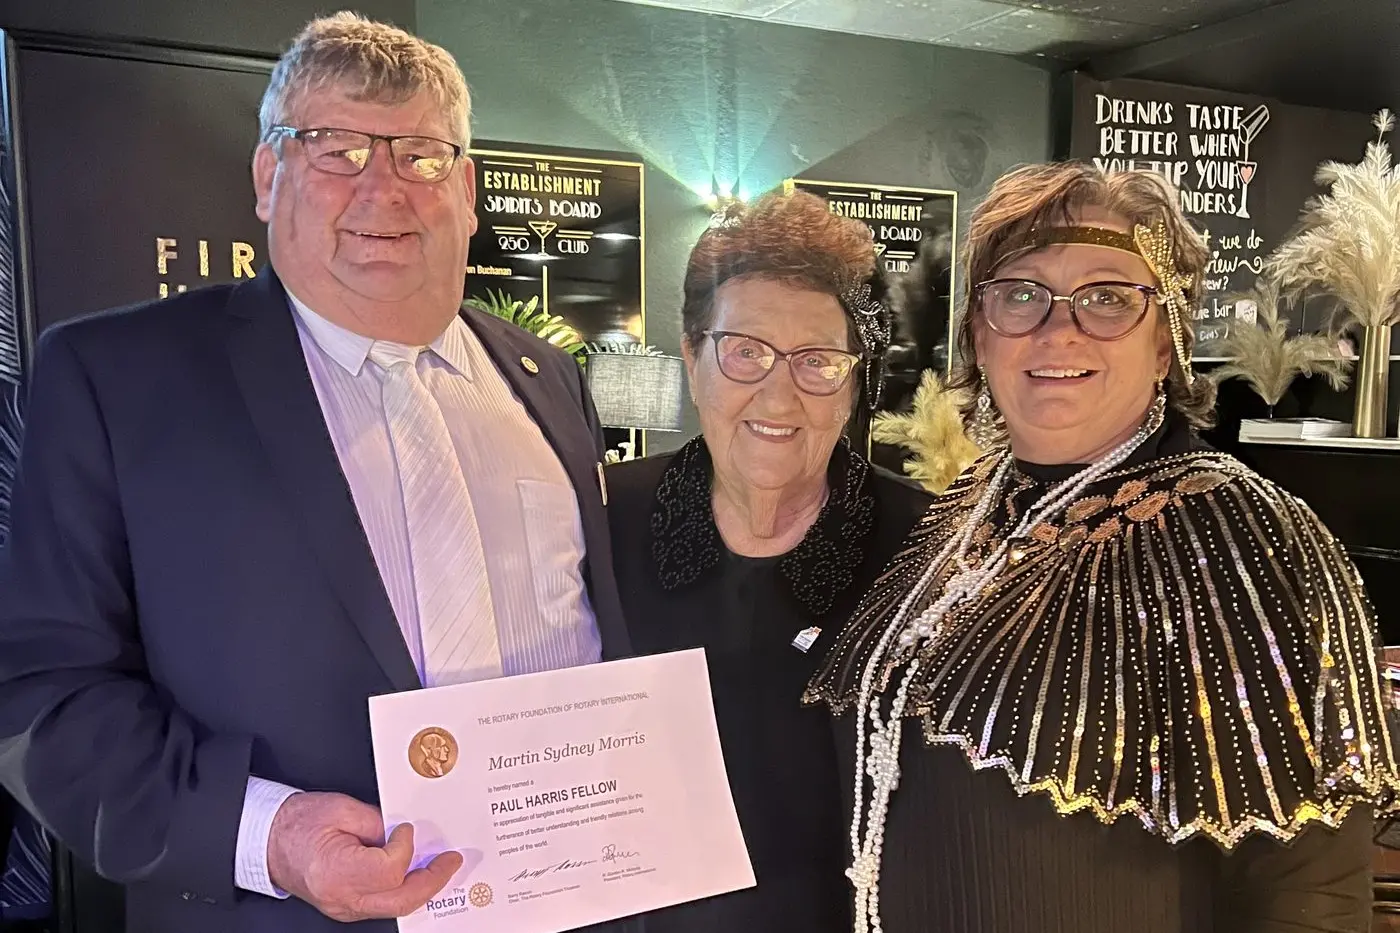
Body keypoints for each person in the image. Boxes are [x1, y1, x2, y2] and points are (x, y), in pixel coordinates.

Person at [0, 13, 636, 933]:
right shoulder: (116, 379)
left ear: (463, 187)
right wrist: (271, 836)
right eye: (333, 148)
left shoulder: (547, 379)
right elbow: (41, 696)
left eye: (420, 155)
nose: (382, 189)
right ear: (268, 177)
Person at [804, 162, 1400, 933]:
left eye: (1109, 298)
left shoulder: (1244, 538)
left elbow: (1307, 888)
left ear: (1166, 342)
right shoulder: (969, 508)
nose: (1060, 328)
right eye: (1021, 295)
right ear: (980, 335)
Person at [606, 191, 934, 933]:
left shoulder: (923, 544)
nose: (778, 394)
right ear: (693, 358)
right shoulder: (601, 518)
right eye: (745, 351)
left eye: (818, 361)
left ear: (853, 382)